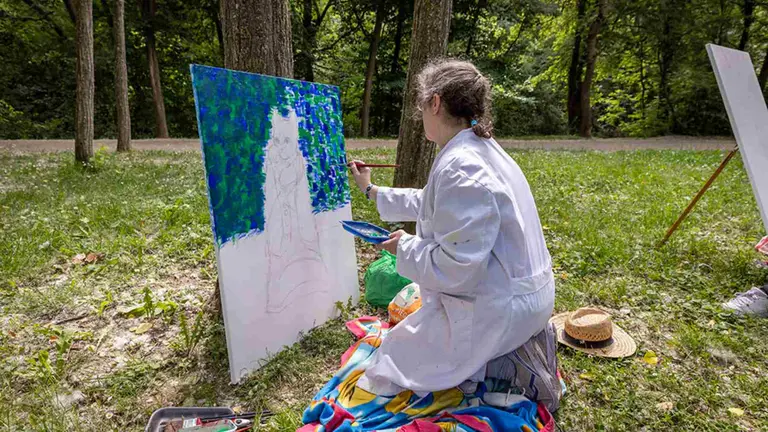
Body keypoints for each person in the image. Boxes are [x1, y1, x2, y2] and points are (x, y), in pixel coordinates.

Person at [347, 59, 555, 396]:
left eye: (422, 104)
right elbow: (433, 202)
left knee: (387, 366)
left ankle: (497, 363)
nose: (421, 114)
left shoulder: (462, 166)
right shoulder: (478, 149)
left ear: (435, 101)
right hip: (526, 295)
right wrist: (371, 191)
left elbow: (456, 268)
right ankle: (491, 358)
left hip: (504, 309)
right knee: (404, 341)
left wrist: (402, 246)